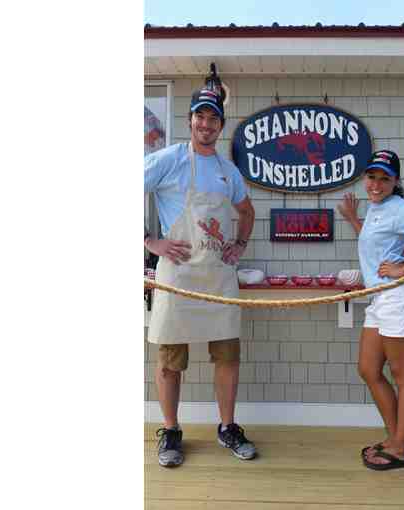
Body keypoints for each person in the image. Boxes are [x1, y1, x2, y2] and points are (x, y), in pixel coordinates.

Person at [144, 88, 257, 467]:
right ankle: (171, 431)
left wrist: (239, 245)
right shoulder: (170, 159)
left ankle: (227, 427)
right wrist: (150, 241)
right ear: (190, 120)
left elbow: (246, 211)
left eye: (213, 118)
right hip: (177, 274)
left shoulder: (228, 171)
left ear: (221, 125)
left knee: (227, 355)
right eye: (200, 117)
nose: (206, 124)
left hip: (218, 275)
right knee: (169, 358)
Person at [337, 149, 404, 471]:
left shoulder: (400, 208)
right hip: (379, 299)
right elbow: (377, 245)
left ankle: (400, 448)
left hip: (397, 299)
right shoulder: (378, 209)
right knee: (368, 369)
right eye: (372, 177)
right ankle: (396, 438)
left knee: (403, 376)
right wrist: (354, 219)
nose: (376, 184)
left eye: (384, 179)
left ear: (394, 182)